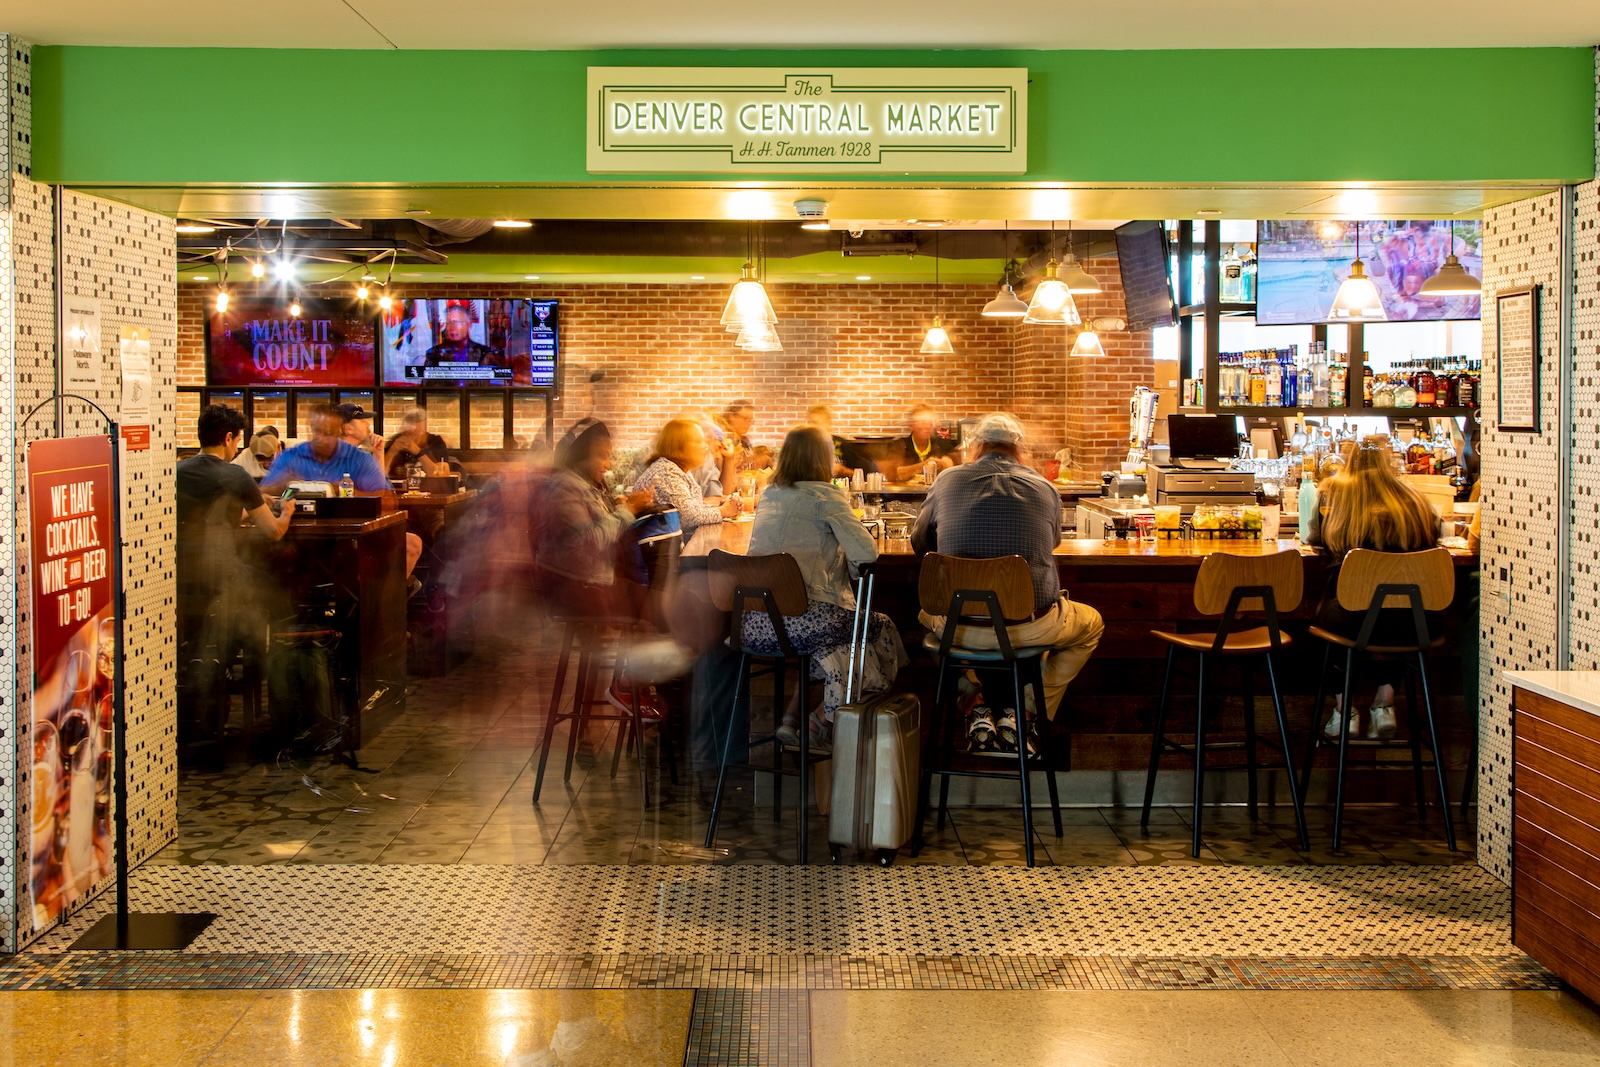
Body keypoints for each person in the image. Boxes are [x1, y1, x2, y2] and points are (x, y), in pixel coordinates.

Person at [911, 413, 1104, 733]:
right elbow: (1051, 543)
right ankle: (1026, 710)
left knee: (922, 615)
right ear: (1018, 449)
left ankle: (972, 695)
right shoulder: (1044, 487)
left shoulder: (946, 480)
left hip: (959, 627)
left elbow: (922, 545)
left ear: (977, 446)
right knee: (1091, 625)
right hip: (1029, 626)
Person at [745, 425, 907, 751]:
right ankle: (824, 719)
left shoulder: (770, 494)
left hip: (754, 624)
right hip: (803, 623)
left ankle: (794, 718)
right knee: (877, 627)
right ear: (824, 458)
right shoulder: (826, 495)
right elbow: (867, 553)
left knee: (833, 643)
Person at [177, 406, 293, 757]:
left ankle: (217, 669)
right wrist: (284, 511)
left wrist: (253, 503)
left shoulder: (177, 471)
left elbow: (213, 514)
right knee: (280, 600)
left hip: (183, 579)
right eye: (237, 441)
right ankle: (264, 683)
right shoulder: (234, 475)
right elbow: (272, 533)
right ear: (228, 438)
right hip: (223, 577)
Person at [1307, 440, 1442, 741]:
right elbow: (1433, 538)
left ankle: (1345, 713)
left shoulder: (1335, 493)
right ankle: (1385, 703)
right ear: (1389, 461)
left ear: (1348, 461)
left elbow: (1317, 540)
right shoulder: (1414, 498)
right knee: (1393, 617)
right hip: (1418, 621)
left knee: (1322, 621)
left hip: (1353, 620)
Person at [530, 418, 664, 719]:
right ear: (580, 455)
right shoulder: (563, 488)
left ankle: (633, 685)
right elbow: (589, 541)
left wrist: (621, 508)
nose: (608, 462)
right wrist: (628, 511)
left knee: (655, 598)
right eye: (602, 454)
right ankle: (628, 686)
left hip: (588, 582)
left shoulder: (583, 485)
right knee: (656, 605)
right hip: (574, 587)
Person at [264, 403, 424, 581]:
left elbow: (387, 501)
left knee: (348, 555)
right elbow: (261, 495)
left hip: (349, 539)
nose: (322, 438)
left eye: (329, 432)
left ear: (338, 430)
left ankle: (365, 605)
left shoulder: (359, 459)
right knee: (275, 554)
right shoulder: (292, 456)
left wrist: (344, 491)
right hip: (299, 540)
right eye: (318, 431)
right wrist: (280, 487)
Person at [633, 418, 741, 555]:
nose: (705, 447)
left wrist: (723, 505)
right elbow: (689, 517)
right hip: (653, 561)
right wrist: (724, 511)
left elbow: (693, 508)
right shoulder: (667, 473)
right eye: (699, 441)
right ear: (679, 445)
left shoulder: (679, 470)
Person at [891, 403, 961, 482]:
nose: (928, 427)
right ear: (911, 425)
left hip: (936, 492)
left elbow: (957, 470)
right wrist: (926, 465)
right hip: (908, 493)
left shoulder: (943, 445)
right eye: (923, 422)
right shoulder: (900, 445)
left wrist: (947, 465)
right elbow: (896, 473)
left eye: (930, 422)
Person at [383, 407, 451, 480]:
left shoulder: (434, 441)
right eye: (409, 421)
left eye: (416, 422)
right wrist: (392, 452)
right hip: (397, 489)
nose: (412, 428)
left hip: (428, 488)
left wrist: (418, 452)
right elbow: (379, 475)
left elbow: (437, 476)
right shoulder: (395, 442)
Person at [424, 304, 496, 366]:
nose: (452, 327)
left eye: (457, 322)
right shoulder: (434, 354)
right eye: (449, 323)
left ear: (469, 325)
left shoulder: (483, 353)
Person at [806, 403, 853, 478]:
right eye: (809, 423)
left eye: (815, 423)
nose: (811, 427)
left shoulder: (843, 445)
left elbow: (859, 474)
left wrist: (841, 470)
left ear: (828, 423)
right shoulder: (803, 445)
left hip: (839, 488)